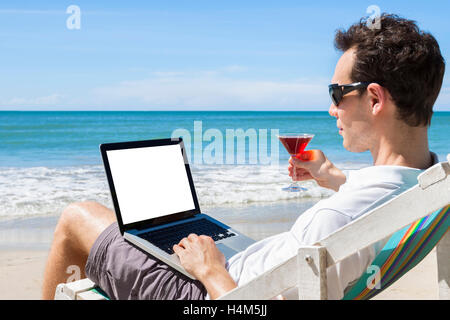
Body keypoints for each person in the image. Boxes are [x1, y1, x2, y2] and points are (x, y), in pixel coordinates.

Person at [42, 13, 445, 300]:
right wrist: (329, 174)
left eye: (337, 94)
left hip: (212, 291)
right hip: (239, 274)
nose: (331, 109)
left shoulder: (335, 221)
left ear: (374, 98)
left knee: (76, 217)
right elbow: (372, 197)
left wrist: (209, 269)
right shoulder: (426, 180)